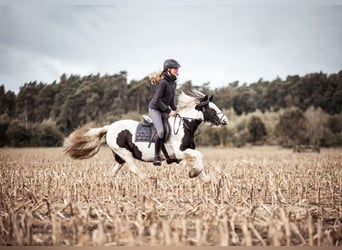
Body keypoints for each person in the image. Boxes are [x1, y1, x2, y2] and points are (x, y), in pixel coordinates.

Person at [149, 59, 180, 166]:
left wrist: (175, 109)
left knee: (171, 129)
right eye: (175, 68)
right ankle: (156, 157)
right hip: (155, 109)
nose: (177, 70)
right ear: (168, 69)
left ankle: (169, 157)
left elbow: (171, 100)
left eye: (177, 68)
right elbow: (157, 100)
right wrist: (168, 111)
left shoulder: (173, 83)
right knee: (161, 132)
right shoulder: (162, 83)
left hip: (164, 109)